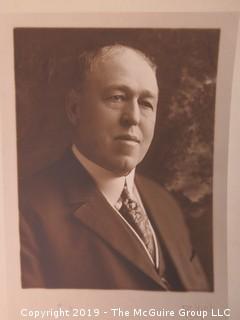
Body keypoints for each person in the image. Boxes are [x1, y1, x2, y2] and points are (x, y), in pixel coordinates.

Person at [19, 44, 209, 291]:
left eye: (146, 103)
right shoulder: (23, 210)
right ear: (75, 109)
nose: (133, 117)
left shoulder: (165, 203)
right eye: (117, 97)